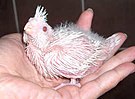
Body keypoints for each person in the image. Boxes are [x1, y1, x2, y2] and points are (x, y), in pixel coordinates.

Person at [0, 8, 135, 99]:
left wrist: (74, 80)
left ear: (48, 31)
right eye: (29, 28)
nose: (30, 30)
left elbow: (92, 58)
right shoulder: (32, 50)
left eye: (43, 28)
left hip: (95, 51)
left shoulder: (54, 56)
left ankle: (73, 80)